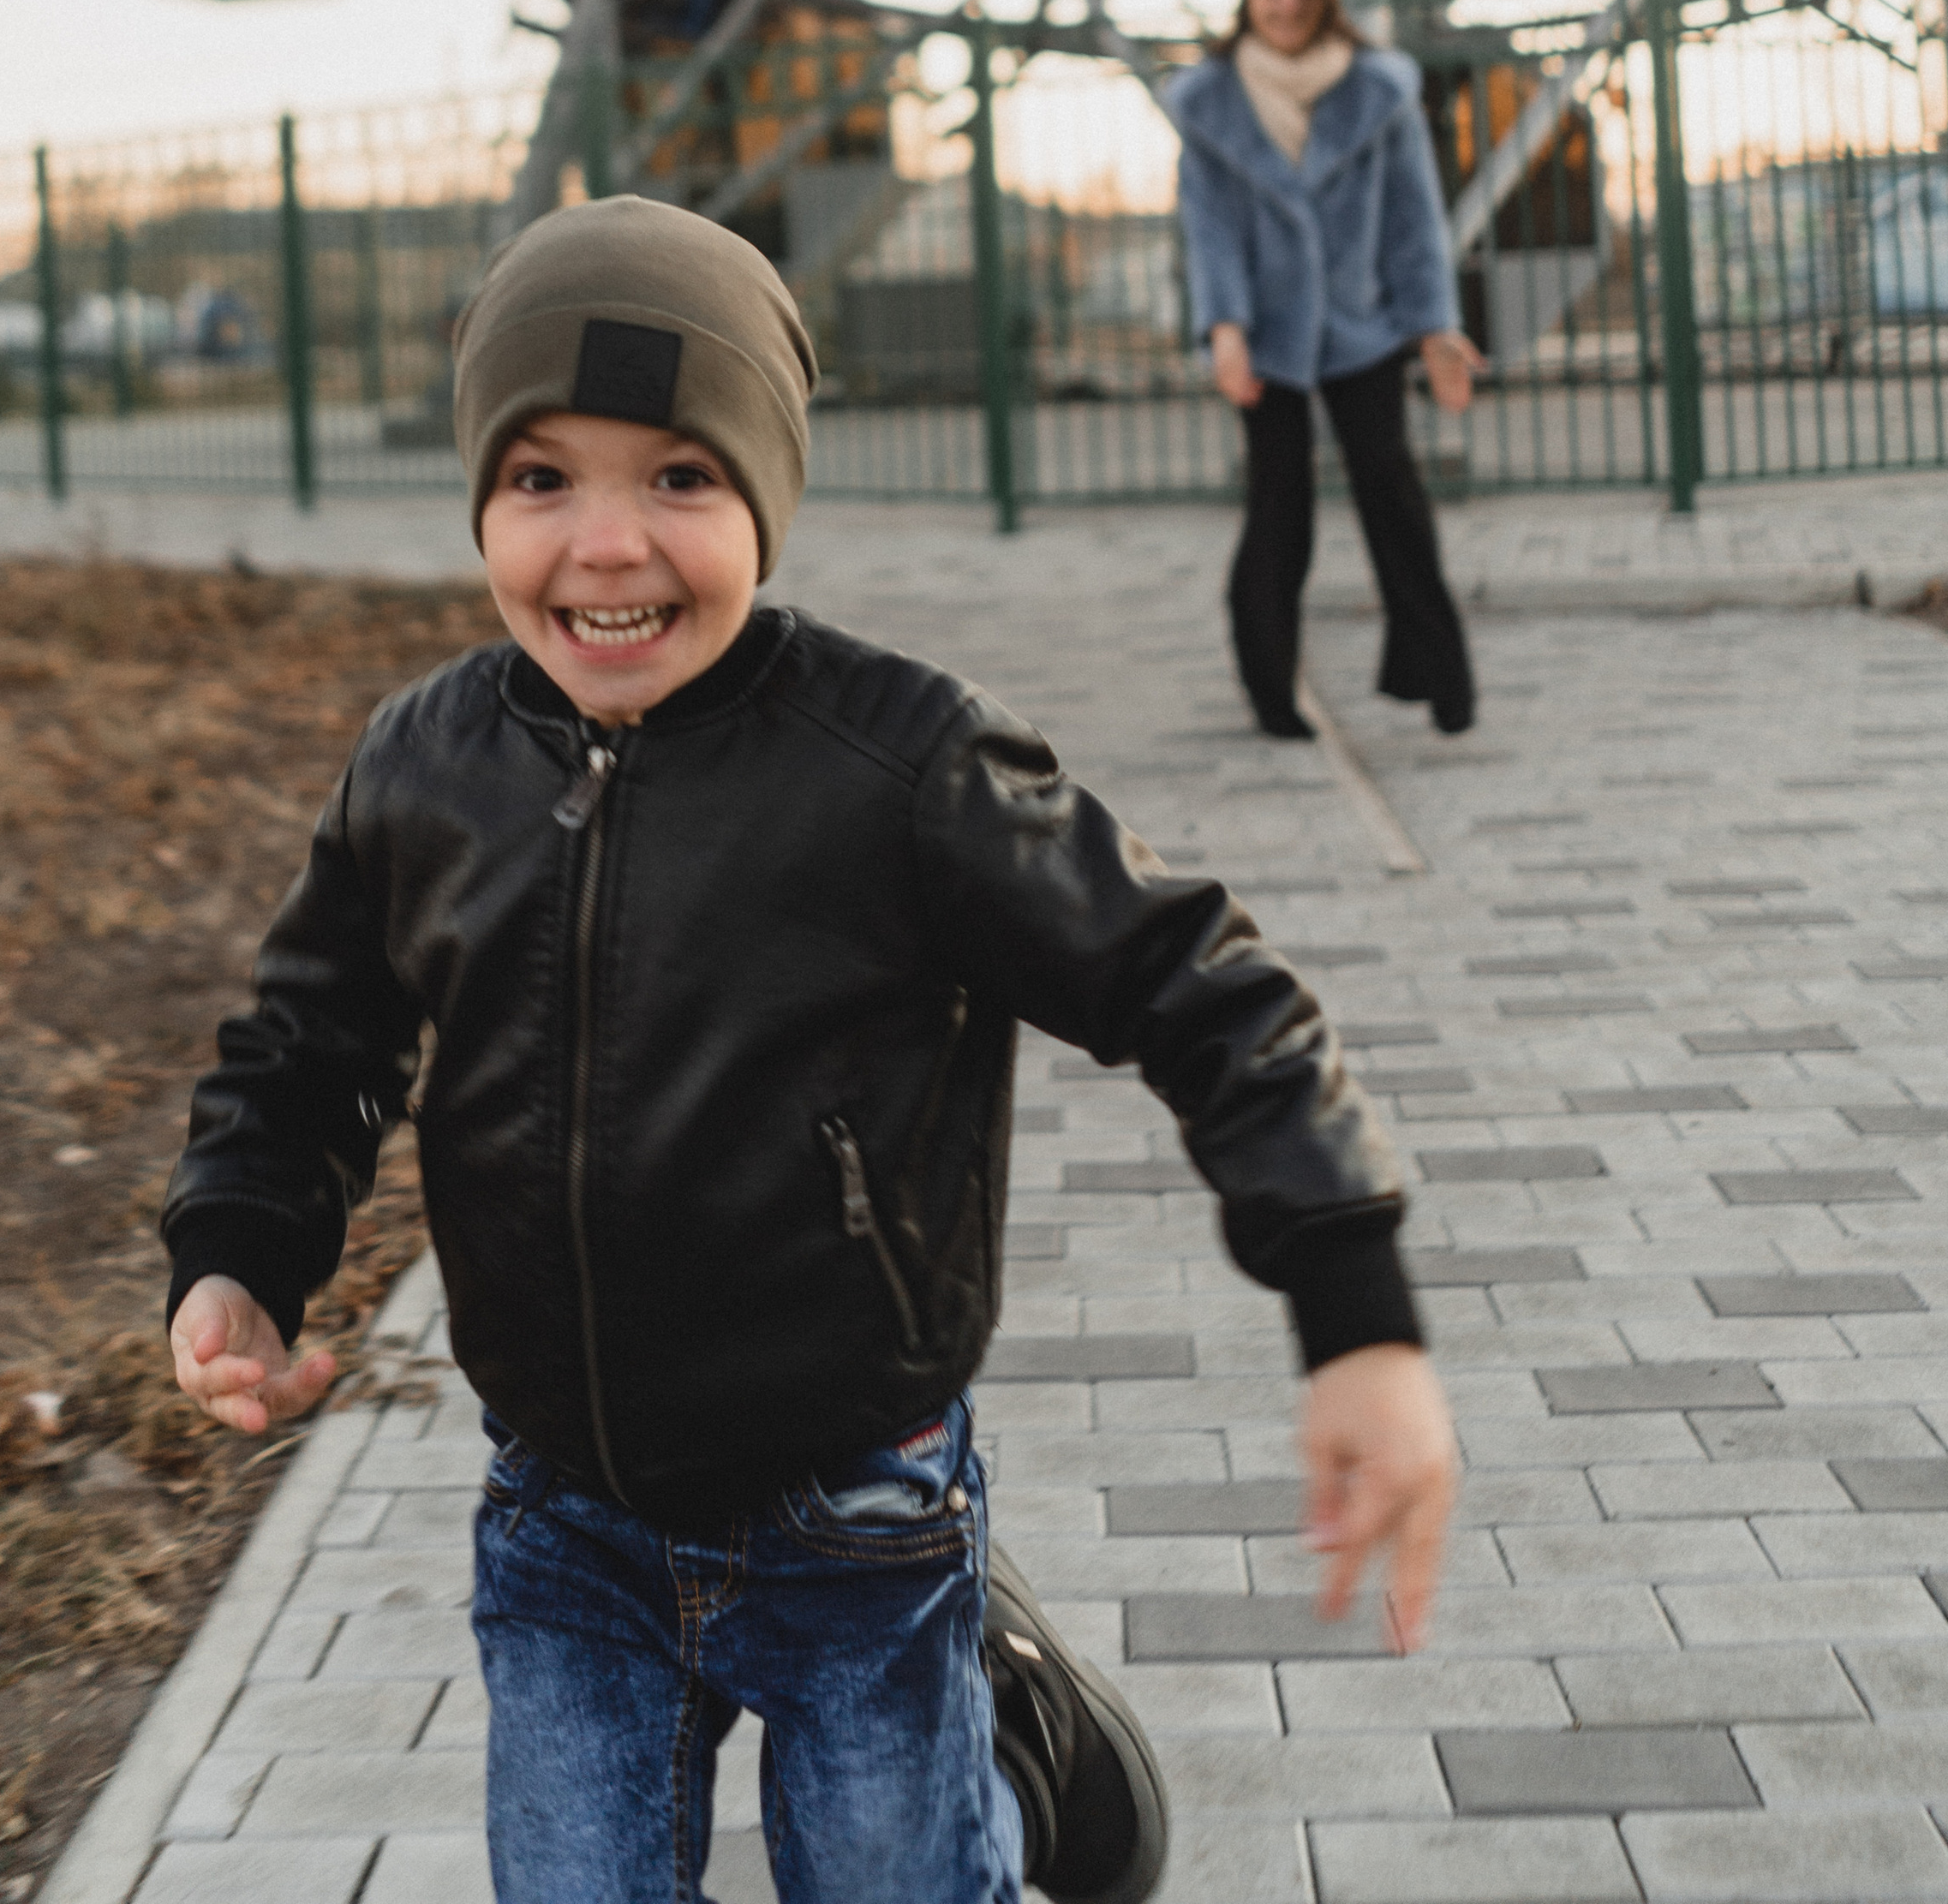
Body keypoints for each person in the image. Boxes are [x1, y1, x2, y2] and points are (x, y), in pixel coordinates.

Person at [162, 193, 1457, 1904]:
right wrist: (241, 1251)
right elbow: (306, 1039)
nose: (606, 546)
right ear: (481, 492)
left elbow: (1198, 986)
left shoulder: (900, 769)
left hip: (854, 1509)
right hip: (562, 1513)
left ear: (766, 493)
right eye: (542, 478)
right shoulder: (423, 769)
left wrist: (1353, 1312)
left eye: (679, 479)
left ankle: (993, 1752)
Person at [1168, 0, 1483, 743]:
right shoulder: (1210, 103)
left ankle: (1440, 677)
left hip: (1360, 326)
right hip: (1267, 335)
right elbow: (1209, 231)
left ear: (1325, 0)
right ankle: (1272, 692)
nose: (1287, 5)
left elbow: (1414, 220)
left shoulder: (1378, 92)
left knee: (1393, 492)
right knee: (1281, 507)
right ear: (1249, 0)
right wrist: (1225, 330)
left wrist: (1436, 331)